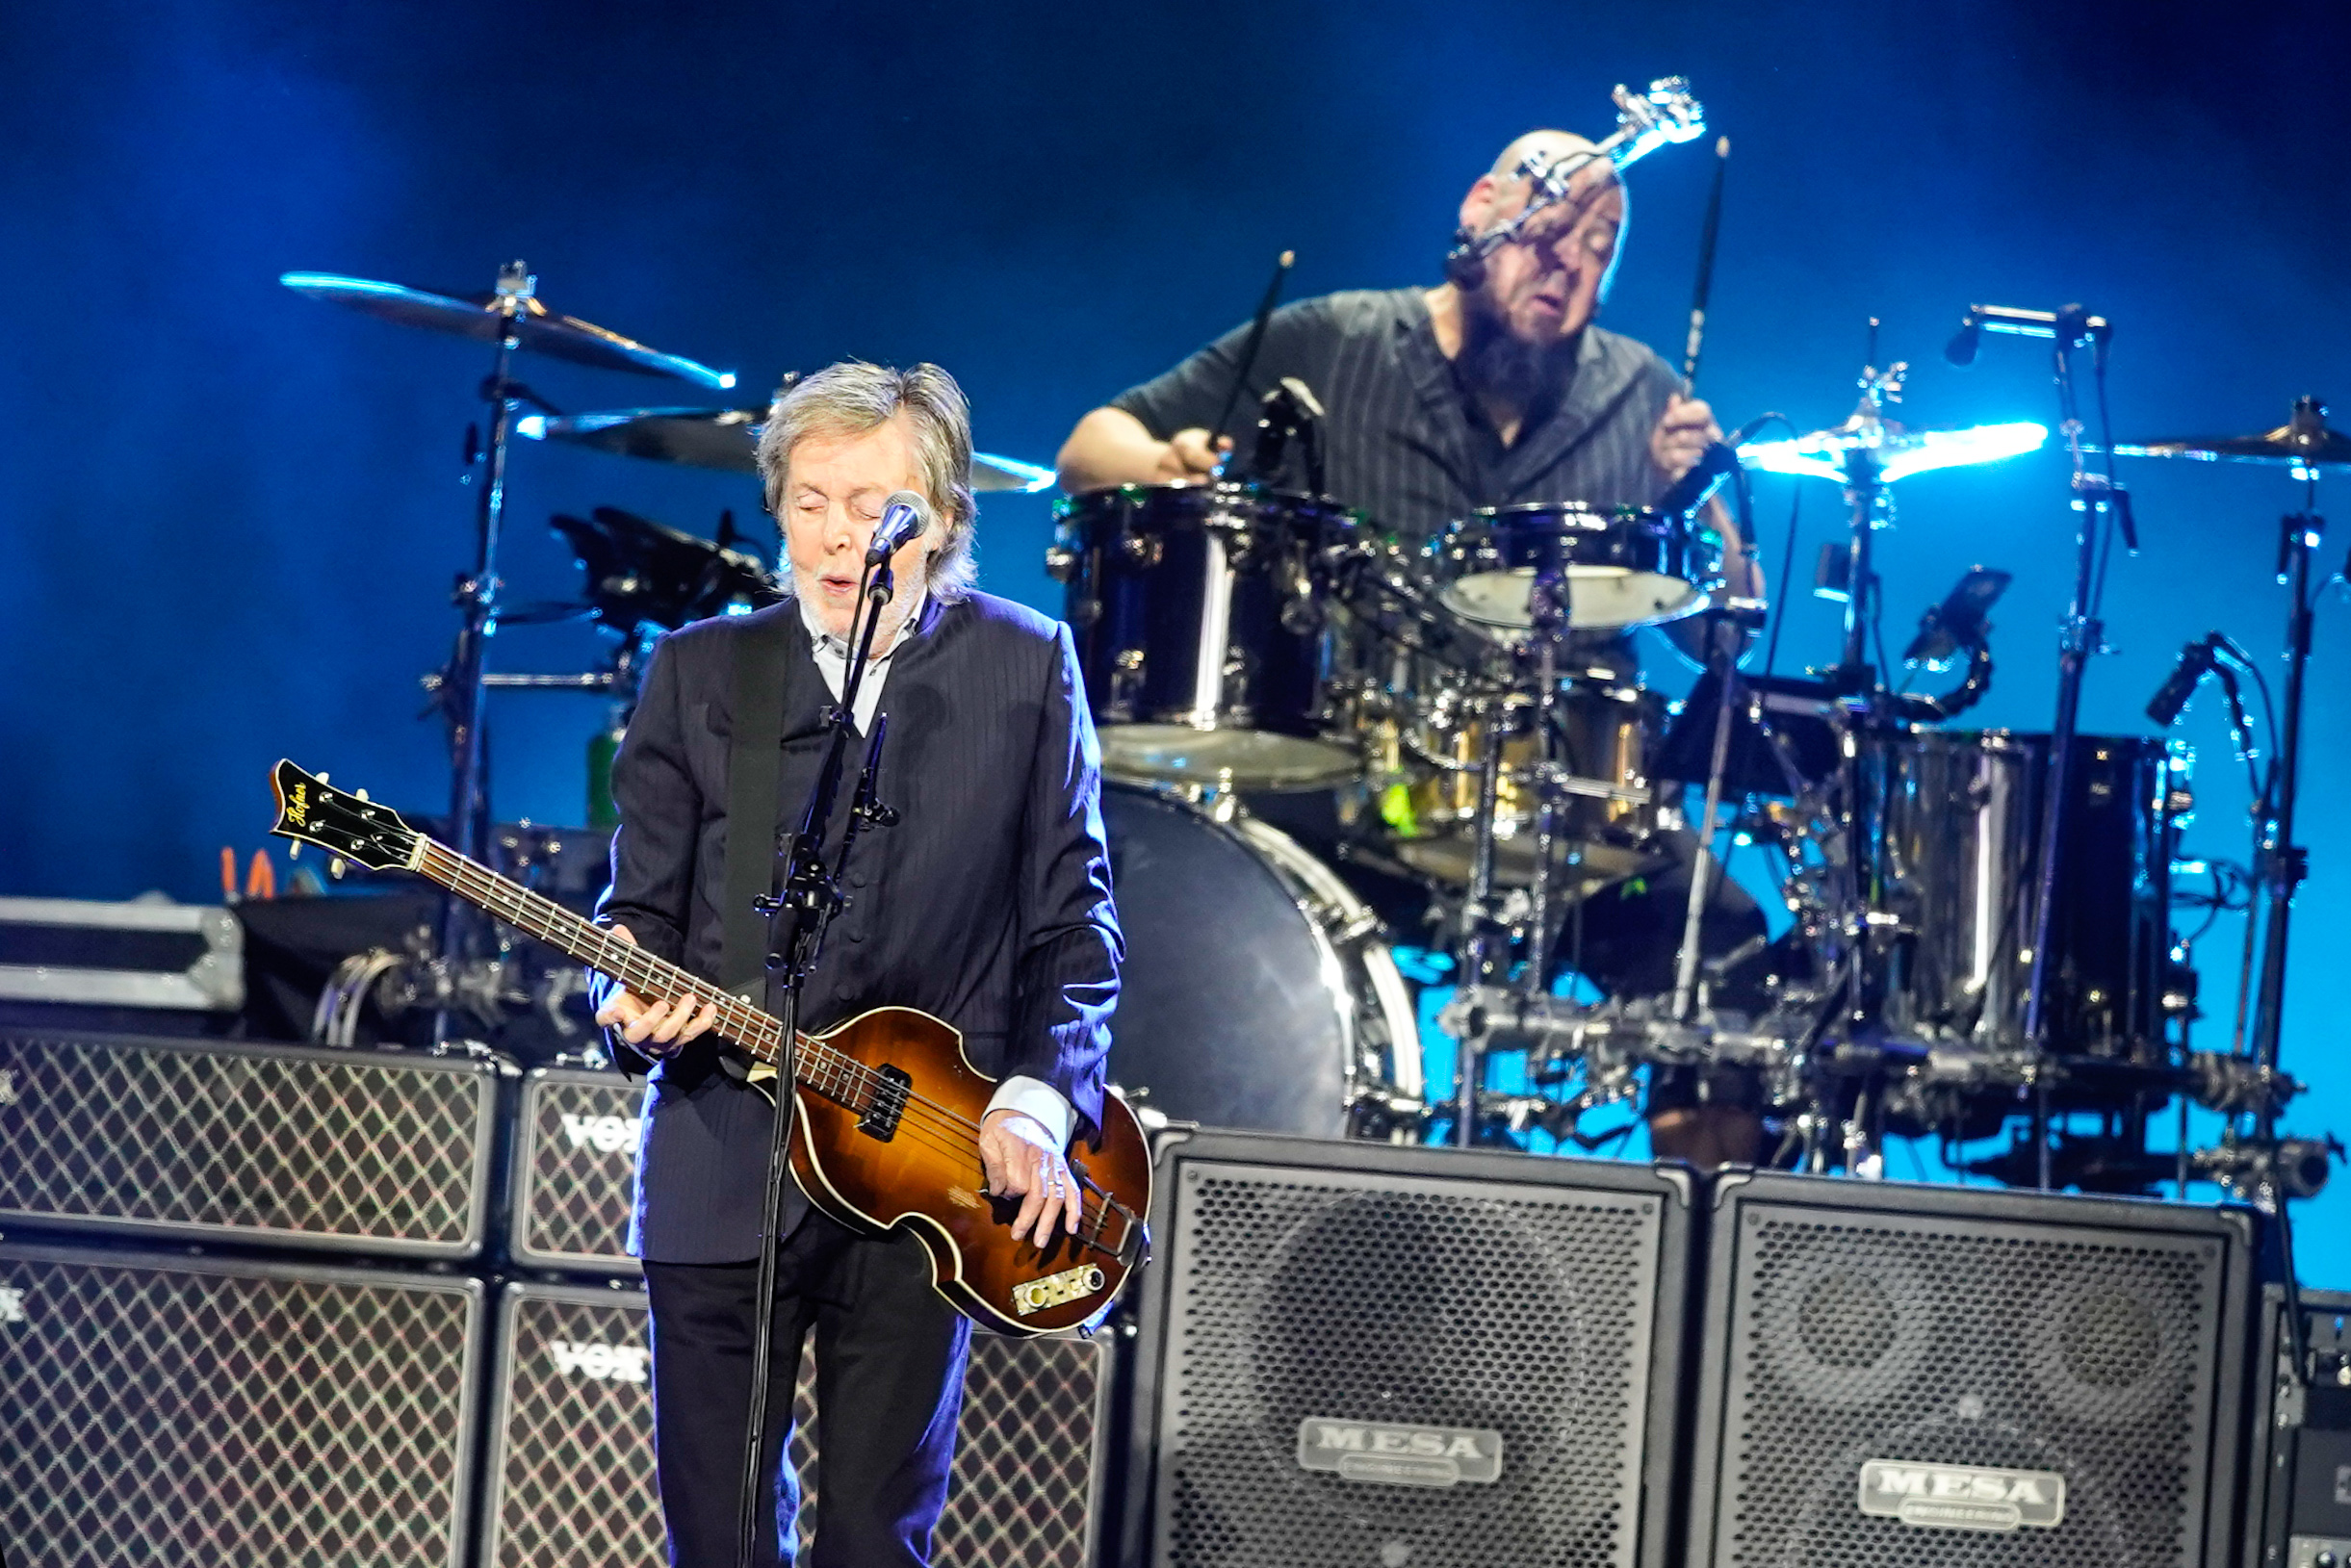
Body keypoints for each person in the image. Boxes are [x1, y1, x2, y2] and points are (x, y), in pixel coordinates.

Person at [1055, 129, 1766, 1163]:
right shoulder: (1337, 341)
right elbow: (1089, 448)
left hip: (1565, 813)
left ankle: (1692, 1260)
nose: (1568, 261)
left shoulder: (1643, 393)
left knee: (1724, 945)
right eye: (1551, 229)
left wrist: (1692, 504)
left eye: (1600, 245)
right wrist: (1165, 460)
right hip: (1350, 795)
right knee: (1172, 887)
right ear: (1480, 210)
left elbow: (1725, 627)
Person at [589, 360, 1122, 1566]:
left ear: (938, 520)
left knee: (876, 1541)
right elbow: (636, 917)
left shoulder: (1024, 666)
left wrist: (1035, 1107)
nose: (840, 538)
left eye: (874, 507)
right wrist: (624, 987)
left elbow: (1075, 927)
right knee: (716, 1543)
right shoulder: (704, 671)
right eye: (812, 502)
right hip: (724, 1167)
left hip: (921, 1171)